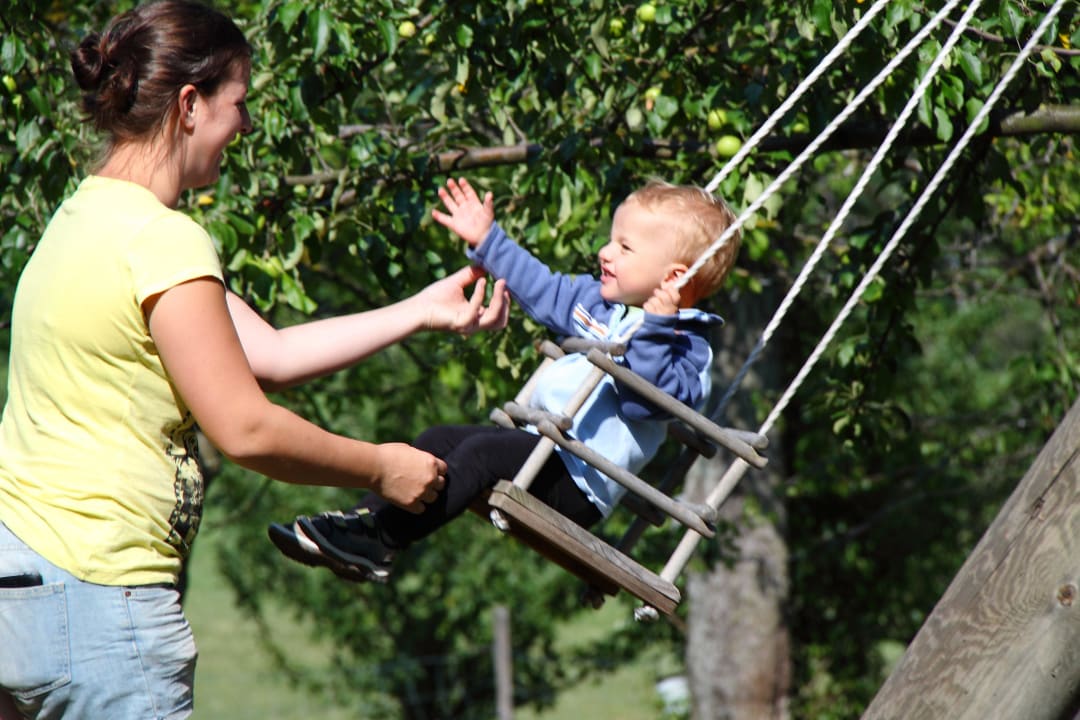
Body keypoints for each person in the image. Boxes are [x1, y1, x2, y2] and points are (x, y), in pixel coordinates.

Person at [0, 2, 510, 718]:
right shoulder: (164, 241)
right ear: (189, 104)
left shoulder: (83, 218)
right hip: (104, 599)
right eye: (237, 104)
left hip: (23, 593)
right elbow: (245, 428)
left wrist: (421, 309)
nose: (244, 125)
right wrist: (383, 467)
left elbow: (266, 353)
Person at [268, 176, 741, 584]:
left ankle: (383, 537)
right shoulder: (603, 307)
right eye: (611, 239)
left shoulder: (686, 348)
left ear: (674, 277)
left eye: (624, 247)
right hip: (541, 451)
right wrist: (488, 240)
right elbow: (543, 289)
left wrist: (656, 328)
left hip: (578, 485)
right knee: (437, 439)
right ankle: (363, 525)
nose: (605, 251)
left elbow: (644, 403)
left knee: (482, 454)